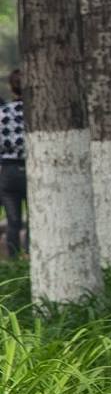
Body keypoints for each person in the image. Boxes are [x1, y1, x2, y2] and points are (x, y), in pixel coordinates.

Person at [0, 68, 25, 258]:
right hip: (32, 168)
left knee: (13, 220)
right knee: (37, 219)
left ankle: (14, 258)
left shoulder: (3, 113)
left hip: (8, 170)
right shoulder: (37, 113)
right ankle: (32, 255)